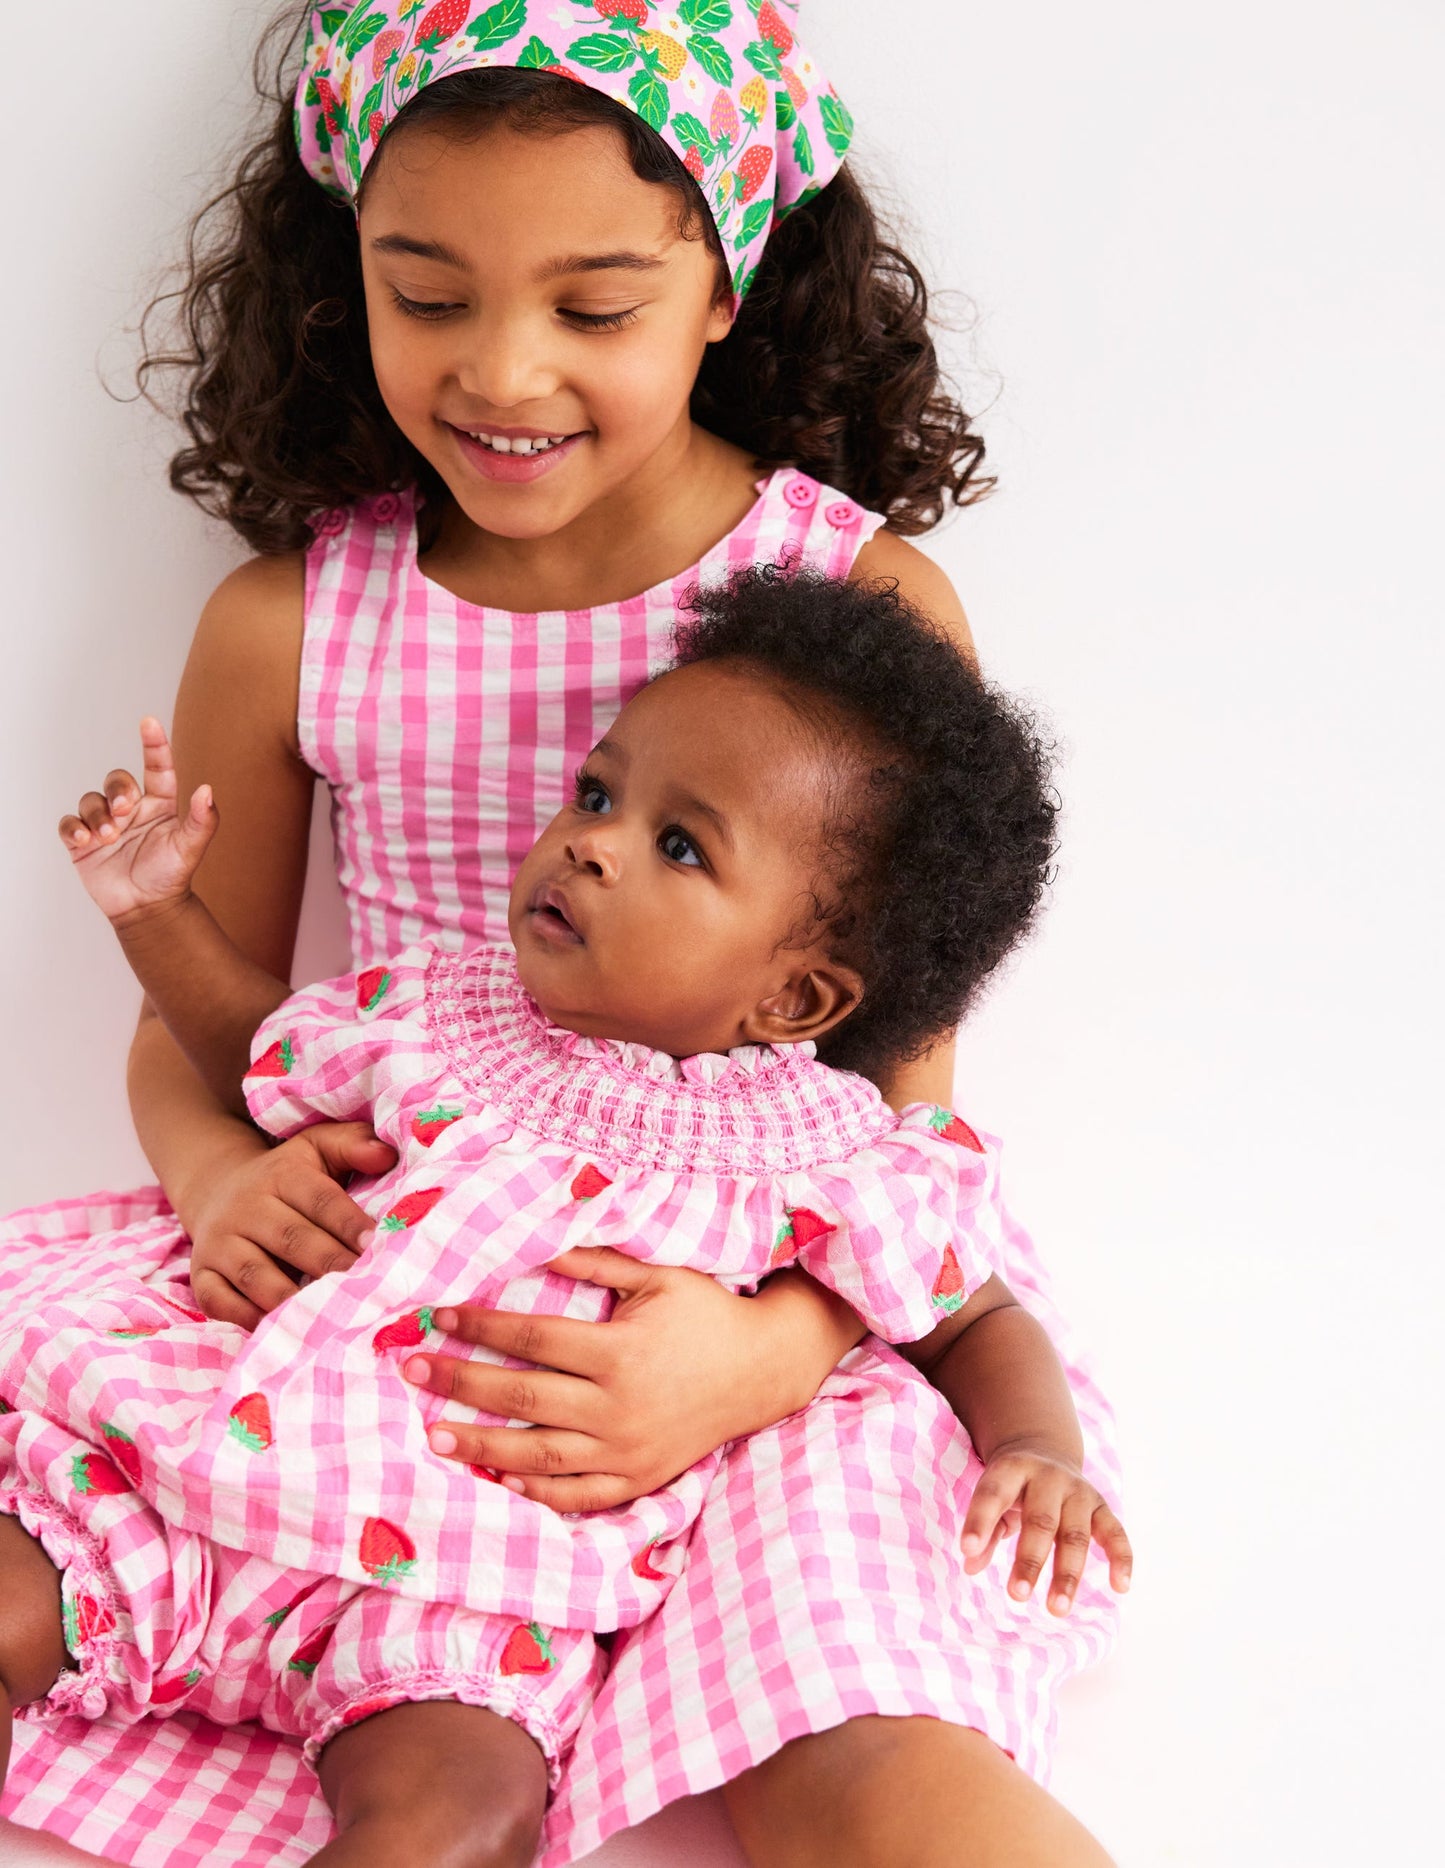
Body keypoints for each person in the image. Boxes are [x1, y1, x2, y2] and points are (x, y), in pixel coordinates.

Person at [1, 5, 1124, 1863]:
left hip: (751, 1320)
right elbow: (217, 1029)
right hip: (370, 1278)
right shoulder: (294, 623)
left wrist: (762, 1354)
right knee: (86, 1551)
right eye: (425, 294)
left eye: (593, 307)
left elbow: (902, 1117)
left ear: (723, 287)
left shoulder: (852, 596)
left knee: (859, 1732)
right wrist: (220, 1184)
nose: (502, 369)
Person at [3, 568, 1128, 1868]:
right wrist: (156, 914)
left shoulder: (820, 1150)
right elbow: (259, 1047)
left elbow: (968, 1311)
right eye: (598, 795)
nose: (591, 842)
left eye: (680, 846)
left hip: (466, 1585)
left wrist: (1033, 1446)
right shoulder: (442, 1009)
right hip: (190, 1467)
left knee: (467, 1812)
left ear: (796, 999)